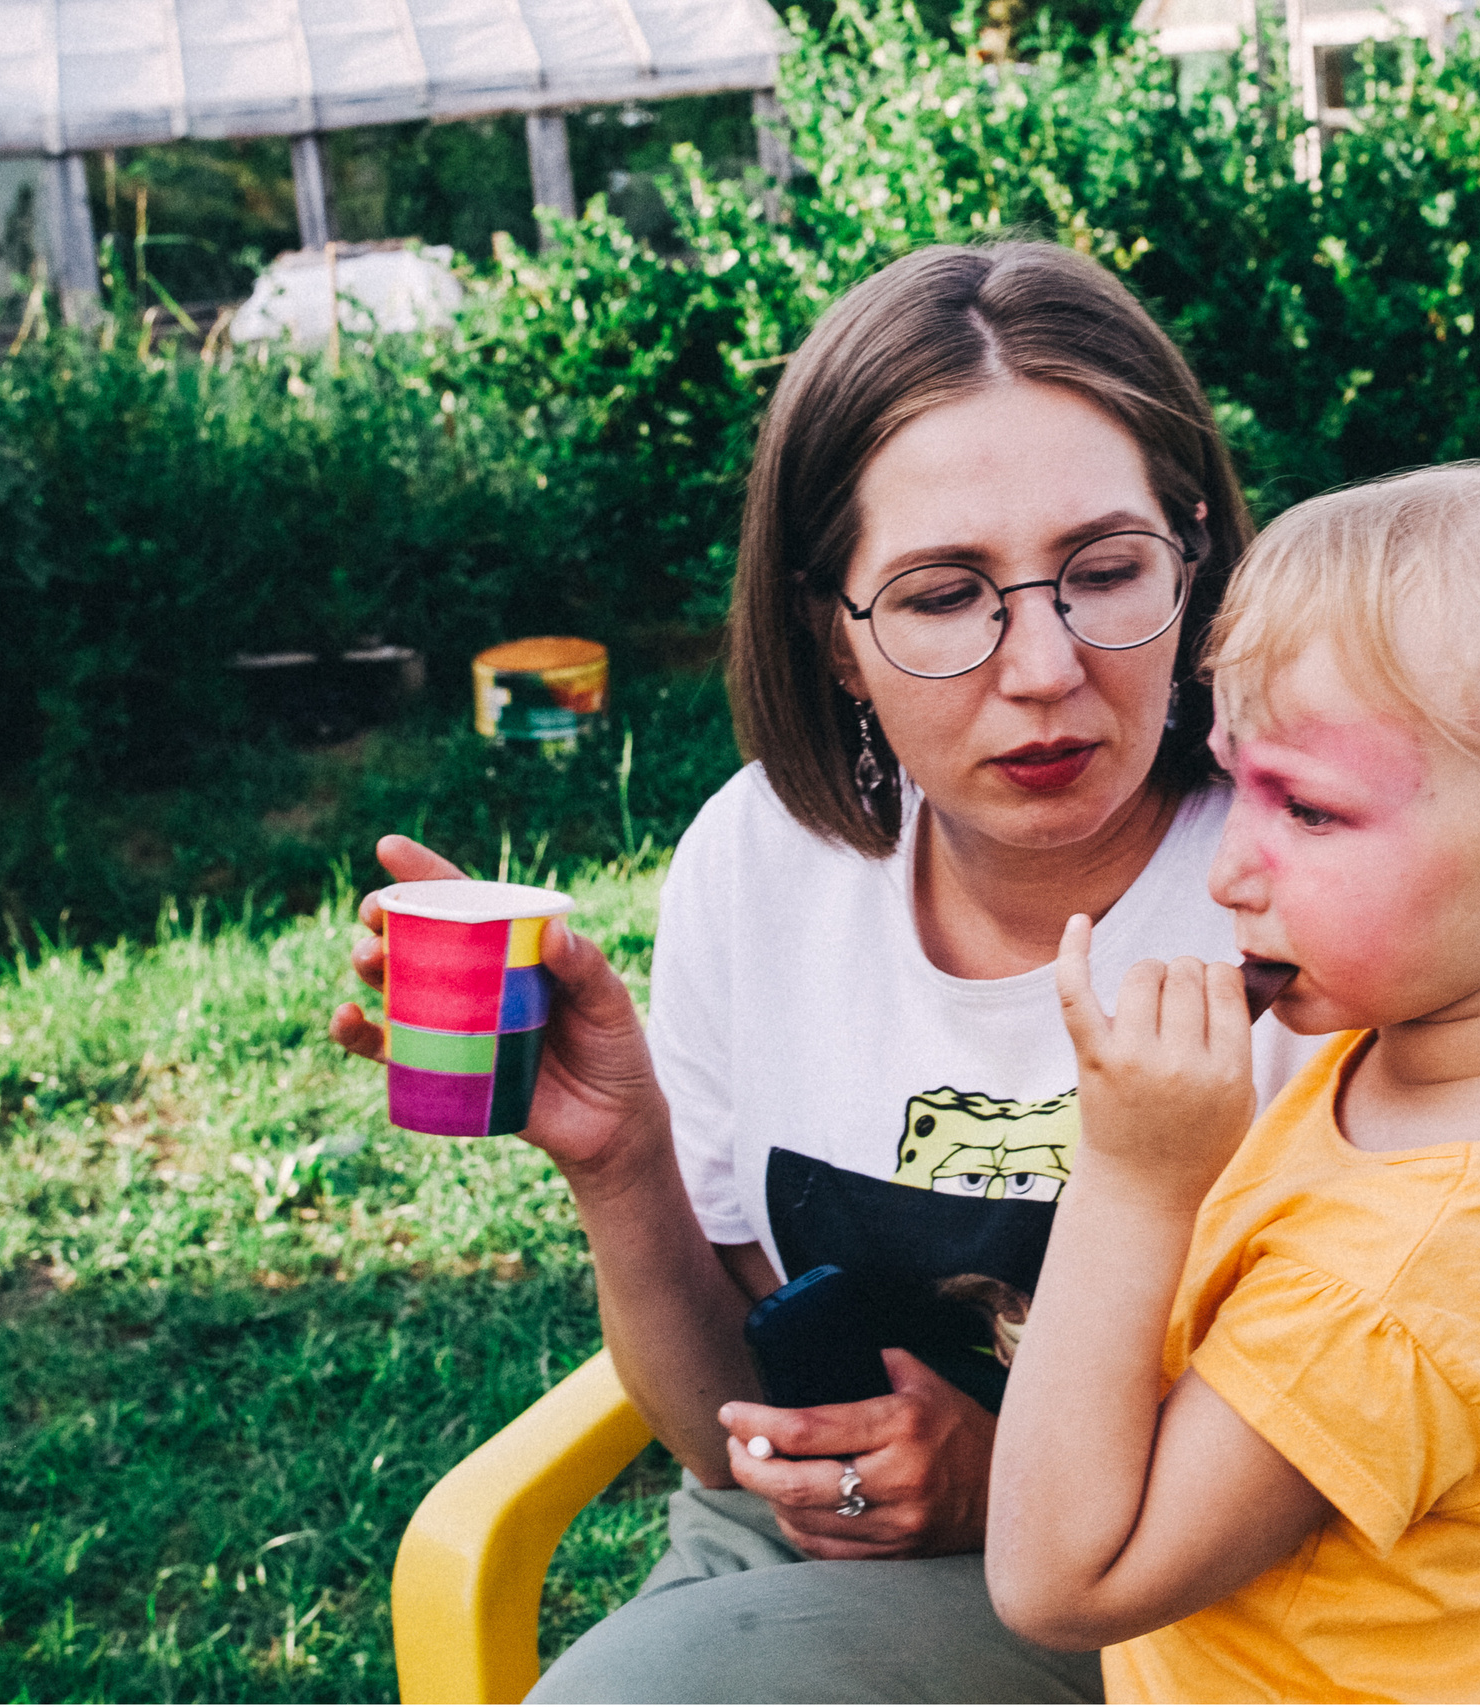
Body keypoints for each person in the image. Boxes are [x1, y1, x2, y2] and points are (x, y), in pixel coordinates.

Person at [332, 242, 1309, 1703]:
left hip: (1194, 1602)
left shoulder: (1306, 888)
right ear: (833, 639)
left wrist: (997, 1486)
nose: (1042, 664)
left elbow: (1382, 1402)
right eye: (939, 593)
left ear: (1195, 556)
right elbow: (728, 1422)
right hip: (795, 1576)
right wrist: (621, 1160)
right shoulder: (764, 861)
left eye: (1104, 571)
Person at [984, 462, 1480, 1701]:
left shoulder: (1382, 1303)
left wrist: (1135, 1181)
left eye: (1305, 809)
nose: (1229, 871)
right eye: (1234, 775)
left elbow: (1056, 1585)